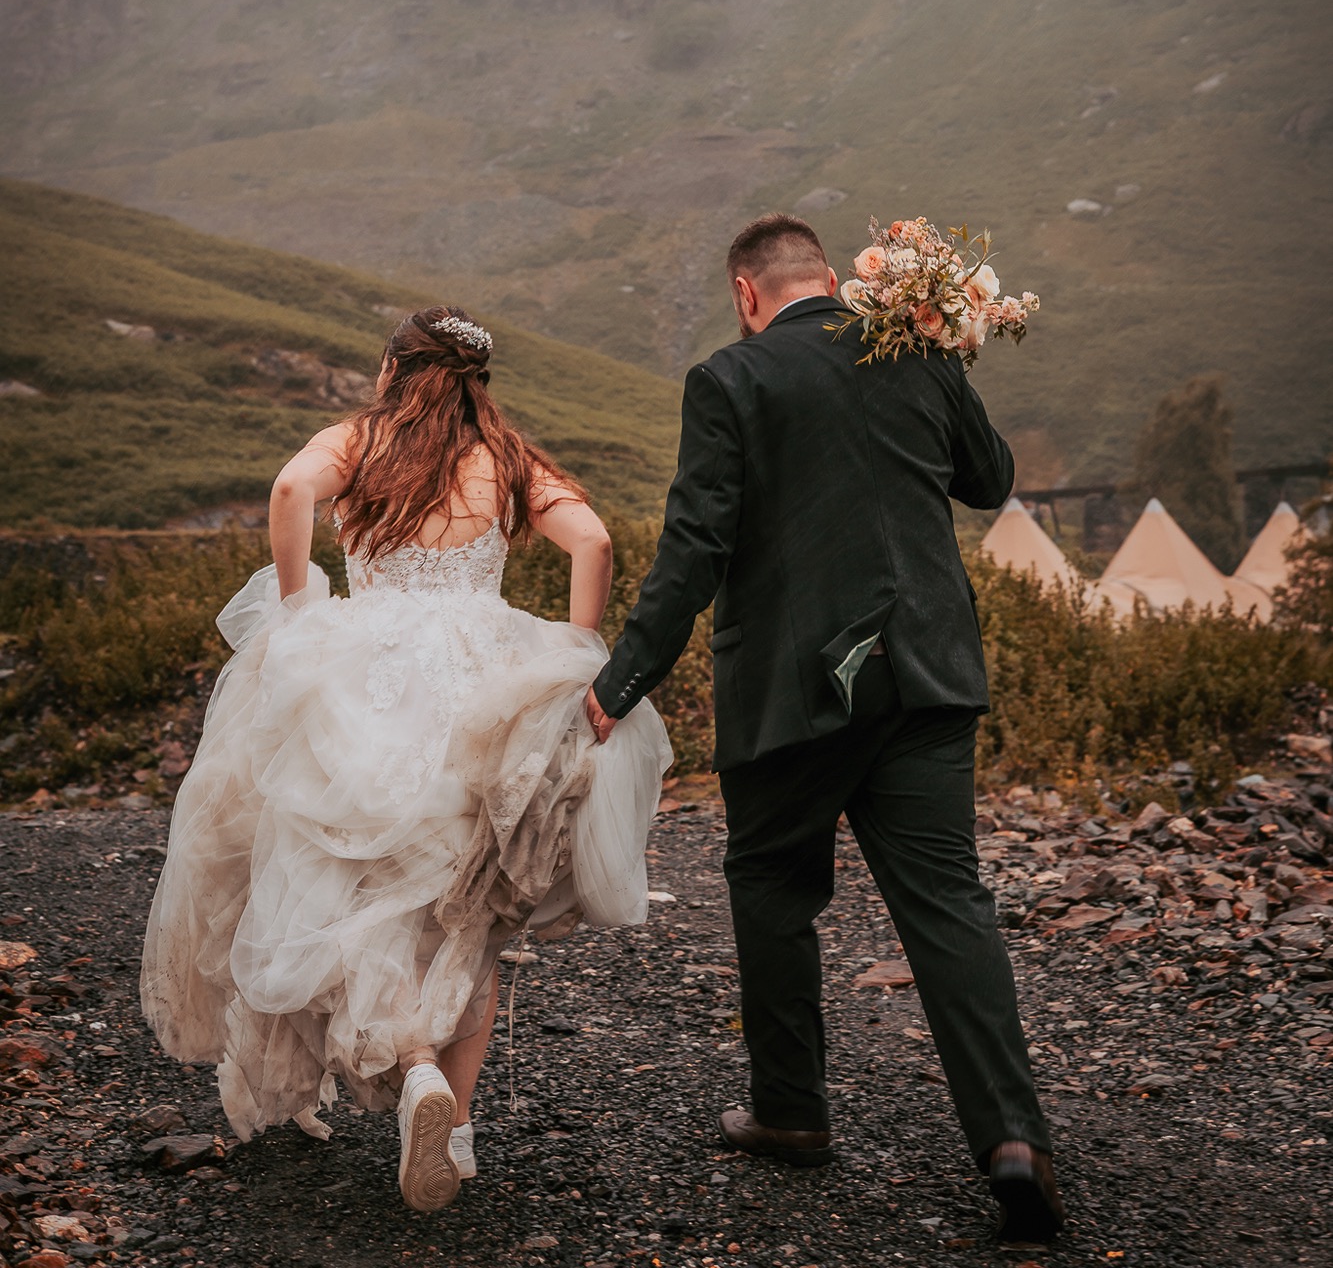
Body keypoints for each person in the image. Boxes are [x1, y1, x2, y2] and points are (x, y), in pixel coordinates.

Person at [585, 214, 1065, 1244]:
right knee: (945, 901)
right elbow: (989, 480)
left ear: (746, 293)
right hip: (927, 672)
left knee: (769, 883)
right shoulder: (917, 354)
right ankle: (1011, 1140)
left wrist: (621, 678)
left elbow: (696, 542)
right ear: (835, 279)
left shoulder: (731, 378)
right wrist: (945, 357)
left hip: (791, 690)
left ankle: (793, 1110)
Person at [142, 306, 670, 1213]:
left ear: (394, 368)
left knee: (352, 885)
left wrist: (302, 611)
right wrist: (573, 653)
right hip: (485, 680)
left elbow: (286, 494)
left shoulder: (360, 440)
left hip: (366, 675)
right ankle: (452, 1127)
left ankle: (412, 1065)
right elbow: (596, 539)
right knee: (466, 905)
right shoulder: (504, 454)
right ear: (476, 381)